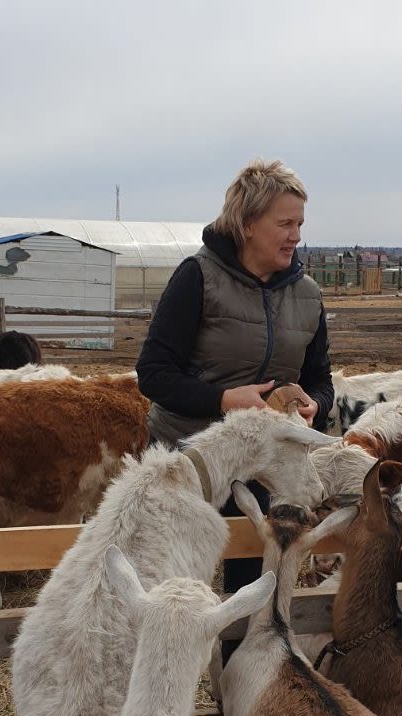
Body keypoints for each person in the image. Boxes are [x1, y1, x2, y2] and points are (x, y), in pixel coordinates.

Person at [136, 157, 334, 659]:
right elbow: (154, 373)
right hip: (191, 469)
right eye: (284, 224)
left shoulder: (307, 297)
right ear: (247, 224)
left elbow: (320, 379)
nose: (295, 236)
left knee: (251, 598)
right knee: (176, 597)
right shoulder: (197, 278)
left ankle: (234, 712)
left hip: (262, 474)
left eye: (300, 225)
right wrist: (226, 400)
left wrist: (315, 404)